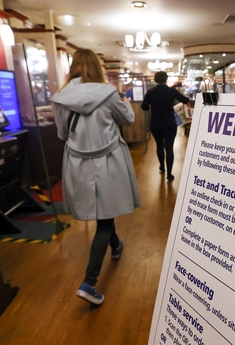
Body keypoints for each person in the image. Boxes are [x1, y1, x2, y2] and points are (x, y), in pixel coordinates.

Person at [50, 49, 141, 305]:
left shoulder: (62, 98)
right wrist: (120, 102)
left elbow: (61, 134)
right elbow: (129, 117)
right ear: (97, 68)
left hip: (78, 162)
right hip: (108, 159)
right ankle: (89, 283)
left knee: (104, 213)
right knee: (105, 217)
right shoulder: (109, 93)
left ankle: (116, 245)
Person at [141, 71, 190, 181]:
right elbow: (185, 100)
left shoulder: (150, 92)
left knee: (159, 145)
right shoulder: (171, 91)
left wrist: (151, 106)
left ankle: (162, 167)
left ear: (155, 79)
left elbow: (144, 107)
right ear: (166, 79)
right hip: (169, 123)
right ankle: (169, 174)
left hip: (155, 123)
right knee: (169, 147)